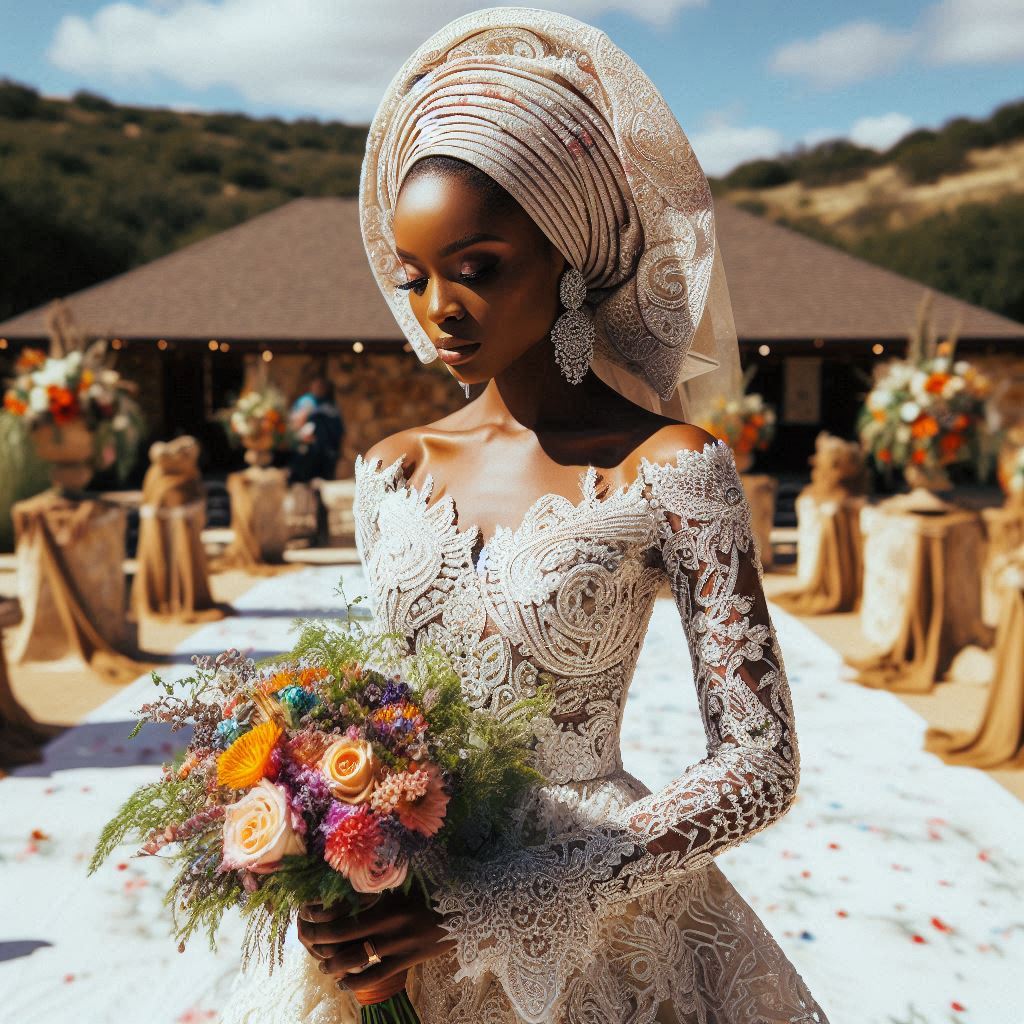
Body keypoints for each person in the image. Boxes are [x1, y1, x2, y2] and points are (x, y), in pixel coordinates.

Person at [221, 9, 830, 1022]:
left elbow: (760, 763)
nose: (439, 308)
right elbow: (397, 710)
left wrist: (514, 901)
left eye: (479, 265)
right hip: (408, 910)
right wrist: (326, 869)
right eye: (414, 276)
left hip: (601, 918)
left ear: (570, 256)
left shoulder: (672, 468)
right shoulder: (390, 468)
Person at [288, 376, 345, 484]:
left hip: (327, 452)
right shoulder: (307, 401)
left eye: (322, 386)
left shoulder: (330, 404)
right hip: (308, 451)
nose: (319, 388)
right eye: (317, 386)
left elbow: (338, 428)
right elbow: (296, 422)